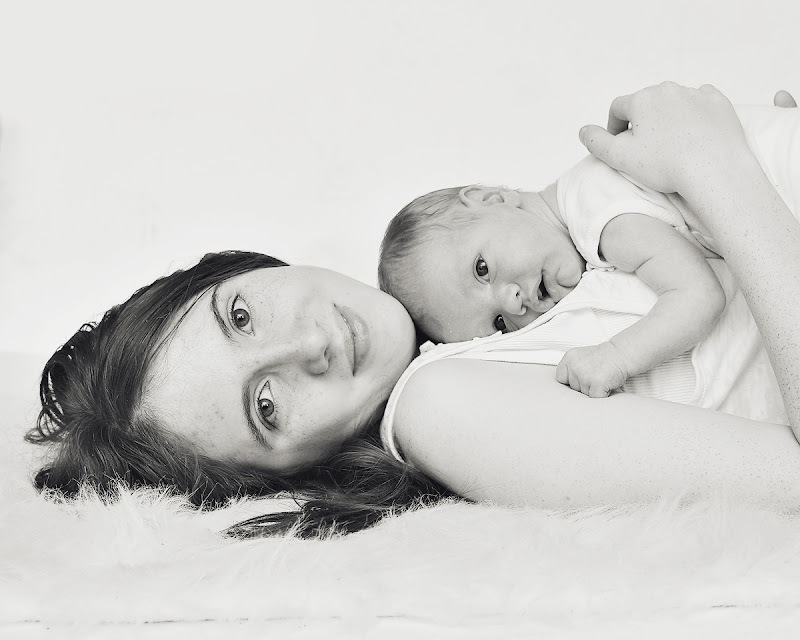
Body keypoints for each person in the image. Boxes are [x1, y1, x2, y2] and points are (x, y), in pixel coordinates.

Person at [25, 84, 800, 540]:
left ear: (255, 269)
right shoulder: (443, 409)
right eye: (266, 405)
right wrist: (717, 164)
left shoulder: (473, 292)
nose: (308, 345)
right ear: (291, 471)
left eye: (241, 316)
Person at [377, 105, 800, 400]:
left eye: (481, 269)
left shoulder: (598, 213)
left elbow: (700, 296)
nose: (512, 301)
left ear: (491, 199)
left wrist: (617, 357)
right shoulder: (584, 207)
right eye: (498, 323)